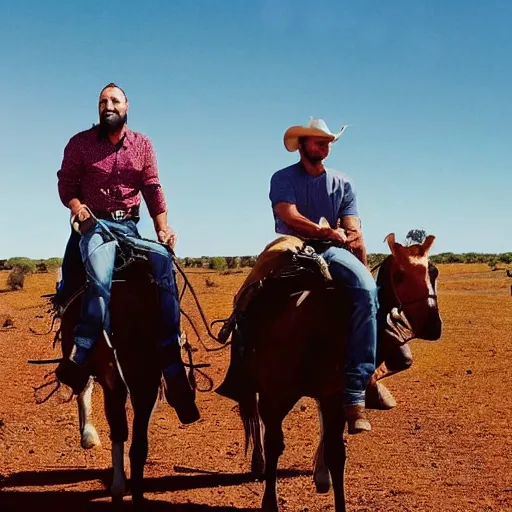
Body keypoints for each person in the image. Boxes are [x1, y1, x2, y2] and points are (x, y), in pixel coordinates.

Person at [219, 118, 377, 434]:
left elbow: (351, 220)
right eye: (318, 141)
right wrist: (323, 230)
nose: (325, 146)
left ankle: (360, 384)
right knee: (251, 292)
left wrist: (350, 232)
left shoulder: (343, 182)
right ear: (302, 145)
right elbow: (288, 215)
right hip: (292, 242)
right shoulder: (283, 178)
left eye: (328, 141)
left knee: (368, 290)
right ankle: (240, 370)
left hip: (332, 247)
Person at [54, 82, 199, 424]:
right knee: (100, 273)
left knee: (164, 265)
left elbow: (152, 188)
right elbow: (66, 185)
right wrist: (78, 208)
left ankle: (173, 367)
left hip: (131, 229)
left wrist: (163, 229)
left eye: (115, 100)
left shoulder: (143, 145)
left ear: (127, 106)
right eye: (103, 100)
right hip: (96, 227)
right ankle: (81, 353)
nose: (108, 105)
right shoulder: (80, 144)